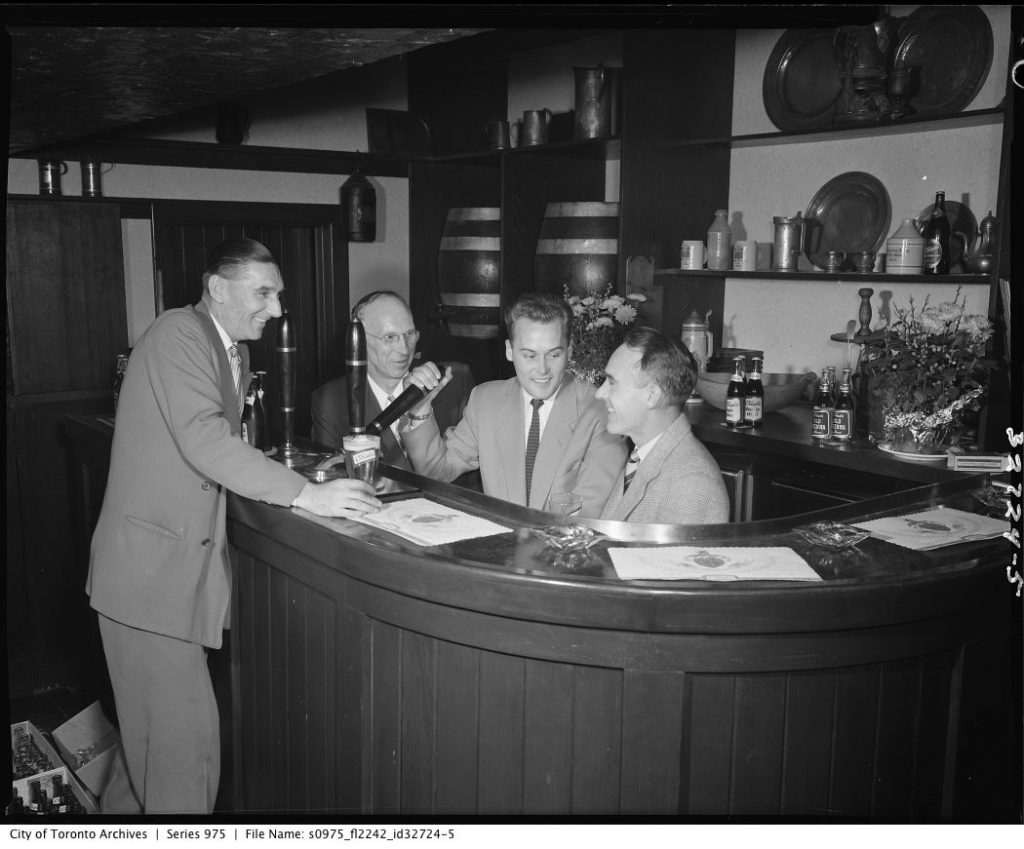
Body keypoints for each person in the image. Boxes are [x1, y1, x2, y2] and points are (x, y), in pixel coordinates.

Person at [86, 238, 381, 815]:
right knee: (183, 754)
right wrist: (308, 496)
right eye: (264, 293)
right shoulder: (178, 333)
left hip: (169, 582)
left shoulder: (233, 353)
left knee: (149, 754)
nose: (275, 310)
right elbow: (203, 439)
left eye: (278, 296)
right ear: (217, 289)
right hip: (150, 581)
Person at [402, 291, 626, 517]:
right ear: (509, 350)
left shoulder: (601, 410)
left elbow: (590, 512)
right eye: (529, 355)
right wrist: (420, 409)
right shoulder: (485, 400)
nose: (542, 369)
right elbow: (437, 471)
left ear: (569, 351)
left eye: (554, 355)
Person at [310, 290, 473, 467]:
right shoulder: (330, 401)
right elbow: (331, 475)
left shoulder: (453, 382)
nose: (404, 349)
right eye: (390, 337)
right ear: (359, 341)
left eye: (410, 334)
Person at [595, 326, 730, 524]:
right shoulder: (642, 455)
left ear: (652, 396)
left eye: (612, 383)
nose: (599, 393)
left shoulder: (693, 485)